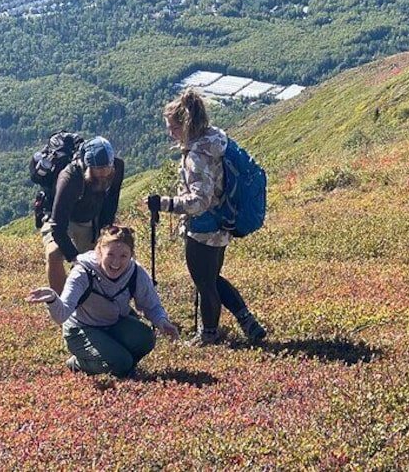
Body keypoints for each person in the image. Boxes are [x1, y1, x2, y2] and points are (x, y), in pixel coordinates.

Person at [146, 88, 267, 347]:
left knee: (204, 283)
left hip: (204, 226)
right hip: (224, 219)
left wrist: (165, 204)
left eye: (174, 128)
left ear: (187, 124)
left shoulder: (196, 157)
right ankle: (248, 322)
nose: (171, 133)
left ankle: (209, 334)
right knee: (212, 278)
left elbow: (199, 201)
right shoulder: (214, 139)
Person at [28, 225, 180, 377]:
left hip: (114, 323)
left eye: (123, 256)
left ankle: (116, 361)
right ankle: (78, 363)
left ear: (131, 255)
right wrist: (53, 299)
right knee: (122, 363)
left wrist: (162, 321)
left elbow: (151, 304)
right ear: (99, 251)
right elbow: (62, 315)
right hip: (82, 328)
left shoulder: (135, 272)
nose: (116, 262)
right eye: (111, 254)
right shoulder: (82, 272)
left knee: (146, 339)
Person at [41, 136, 125, 294]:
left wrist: (104, 234)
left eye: (107, 171)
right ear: (87, 167)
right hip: (62, 218)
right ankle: (62, 307)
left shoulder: (117, 167)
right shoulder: (70, 177)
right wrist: (75, 258)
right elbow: (58, 226)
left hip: (90, 217)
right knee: (54, 254)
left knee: (105, 253)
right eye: (98, 172)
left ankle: (103, 299)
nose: (103, 176)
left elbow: (111, 202)